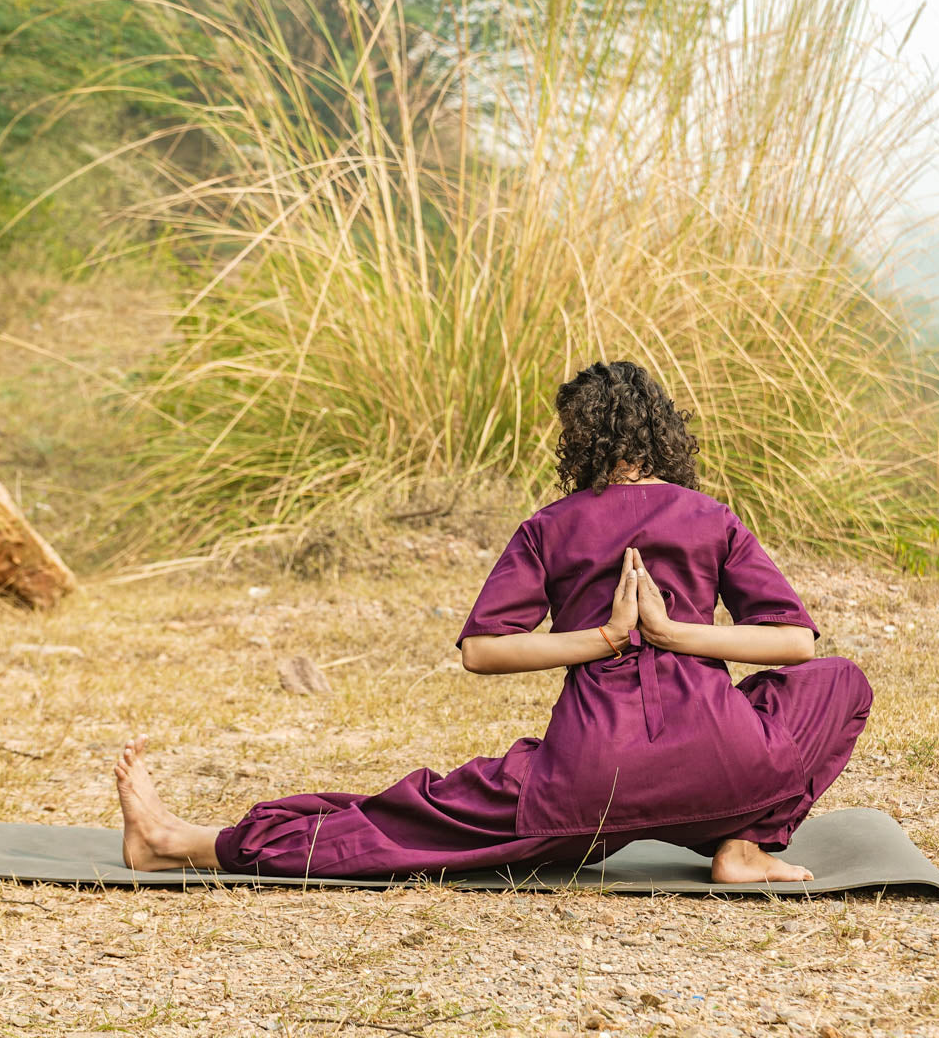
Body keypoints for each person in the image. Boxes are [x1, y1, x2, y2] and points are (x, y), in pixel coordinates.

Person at [114, 360, 872, 884]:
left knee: (410, 822)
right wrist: (676, 635)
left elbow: (482, 651)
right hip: (726, 769)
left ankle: (181, 843)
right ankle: (744, 846)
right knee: (841, 684)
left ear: (578, 443)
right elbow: (798, 645)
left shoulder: (552, 524)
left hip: (588, 785)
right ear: (664, 434)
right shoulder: (709, 517)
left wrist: (606, 640)